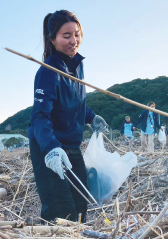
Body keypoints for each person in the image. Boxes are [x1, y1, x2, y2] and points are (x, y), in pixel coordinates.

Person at [28, 10, 109, 223]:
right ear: (52, 39)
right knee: (61, 212)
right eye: (66, 36)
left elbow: (74, 101)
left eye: (77, 34)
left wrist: (91, 117)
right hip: (50, 148)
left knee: (81, 207)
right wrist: (51, 149)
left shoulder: (77, 65)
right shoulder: (48, 71)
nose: (74, 41)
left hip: (72, 147)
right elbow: (40, 116)